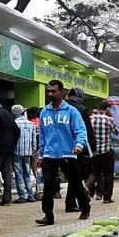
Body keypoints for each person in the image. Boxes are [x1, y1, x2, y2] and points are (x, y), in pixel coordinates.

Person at [35, 80, 91, 226]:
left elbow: (80, 130)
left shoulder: (72, 111)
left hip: (68, 153)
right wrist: (41, 155)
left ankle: (85, 207)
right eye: (48, 91)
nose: (50, 94)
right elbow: (42, 135)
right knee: (48, 185)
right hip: (49, 154)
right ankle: (48, 215)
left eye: (53, 91)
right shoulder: (44, 112)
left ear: (62, 93)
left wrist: (79, 145)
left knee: (75, 183)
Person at [63, 86, 95, 213]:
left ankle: (69, 203)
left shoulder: (62, 107)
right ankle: (74, 203)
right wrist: (92, 148)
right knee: (76, 175)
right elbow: (87, 130)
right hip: (77, 147)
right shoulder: (81, 109)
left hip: (60, 147)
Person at [86, 102, 119, 203]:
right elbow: (116, 132)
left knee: (95, 171)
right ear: (107, 109)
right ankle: (107, 198)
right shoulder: (109, 120)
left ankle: (87, 186)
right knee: (108, 174)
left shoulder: (90, 118)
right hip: (107, 150)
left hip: (94, 151)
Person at [11, 104, 37, 203]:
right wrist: (33, 151)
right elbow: (34, 140)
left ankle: (22, 196)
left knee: (18, 174)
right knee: (27, 174)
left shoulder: (14, 123)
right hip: (28, 153)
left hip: (17, 152)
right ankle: (31, 196)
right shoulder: (31, 124)